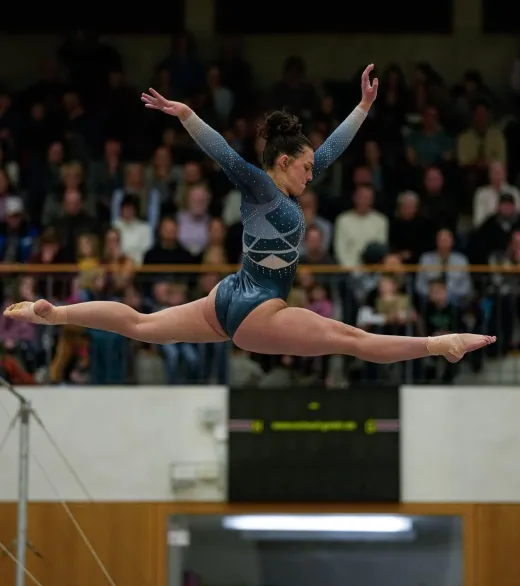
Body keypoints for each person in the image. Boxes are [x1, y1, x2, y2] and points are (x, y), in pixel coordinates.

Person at [4, 65, 495, 364]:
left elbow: (331, 149)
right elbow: (225, 154)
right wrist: (187, 116)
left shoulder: (287, 185)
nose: (313, 174)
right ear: (282, 162)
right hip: (258, 307)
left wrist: (363, 106)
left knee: (141, 324)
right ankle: (440, 344)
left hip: (229, 296)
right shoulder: (262, 186)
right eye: (305, 167)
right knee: (351, 339)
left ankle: (55, 315)